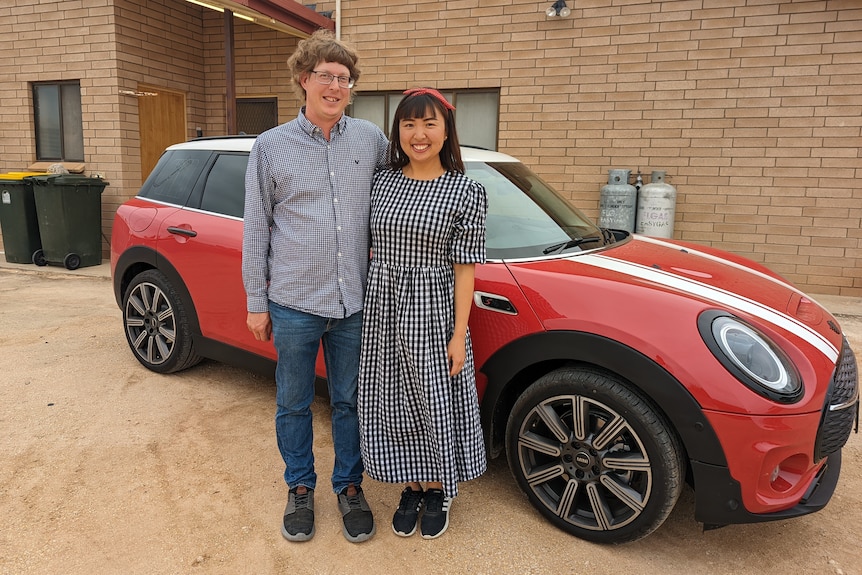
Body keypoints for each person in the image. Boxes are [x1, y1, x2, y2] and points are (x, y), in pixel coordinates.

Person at [242, 29, 388, 544]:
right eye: (325, 76)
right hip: (293, 305)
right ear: (303, 80)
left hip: (354, 304)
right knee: (293, 402)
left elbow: (401, 193)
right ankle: (300, 487)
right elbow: (257, 227)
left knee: (351, 401)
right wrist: (256, 303)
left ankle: (349, 487)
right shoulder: (270, 146)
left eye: (343, 79)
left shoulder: (370, 140)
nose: (334, 86)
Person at [357, 87, 488, 540]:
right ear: (398, 131)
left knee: (433, 400)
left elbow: (464, 270)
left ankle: (437, 488)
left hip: (433, 309)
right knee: (393, 400)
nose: (419, 134)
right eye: (409, 124)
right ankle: (411, 484)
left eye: (429, 123)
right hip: (383, 309)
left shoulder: (466, 191)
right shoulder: (383, 180)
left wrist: (458, 334)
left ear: (446, 130)